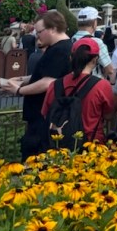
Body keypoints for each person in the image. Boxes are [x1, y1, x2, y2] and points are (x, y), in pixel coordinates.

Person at [9, 11, 73, 160]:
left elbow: (48, 81)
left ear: (52, 28)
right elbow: (43, 74)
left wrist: (19, 90)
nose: (37, 36)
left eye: (39, 32)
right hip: (40, 114)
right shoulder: (56, 48)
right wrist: (21, 79)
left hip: (44, 115)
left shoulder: (60, 50)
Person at [42, 37, 117, 146]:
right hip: (92, 146)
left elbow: (46, 114)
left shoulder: (55, 85)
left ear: (71, 58)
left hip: (59, 146)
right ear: (95, 59)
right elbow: (108, 116)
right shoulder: (102, 85)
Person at [73, 7, 115, 81]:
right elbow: (110, 70)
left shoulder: (71, 40)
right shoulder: (96, 42)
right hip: (92, 83)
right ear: (93, 23)